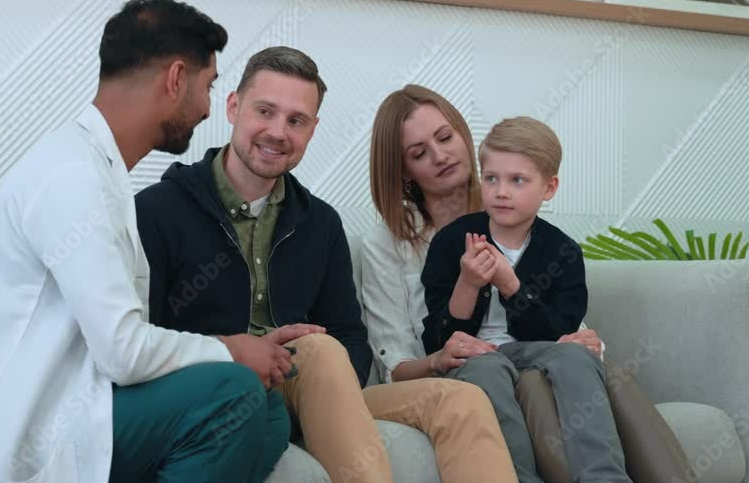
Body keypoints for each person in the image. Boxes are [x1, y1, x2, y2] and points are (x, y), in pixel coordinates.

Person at [0, 0, 290, 483]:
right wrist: (232, 349)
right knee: (234, 393)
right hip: (16, 422)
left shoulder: (97, 167)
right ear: (176, 78)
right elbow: (122, 352)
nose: (207, 109)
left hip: (77, 394)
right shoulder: (75, 178)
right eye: (208, 87)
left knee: (270, 412)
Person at [135, 47, 517, 483]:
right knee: (318, 348)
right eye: (265, 111)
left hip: (311, 386)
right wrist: (237, 351)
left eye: (296, 120)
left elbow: (351, 337)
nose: (278, 132)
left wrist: (318, 379)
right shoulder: (158, 210)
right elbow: (137, 339)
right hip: (214, 386)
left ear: (313, 130)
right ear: (234, 107)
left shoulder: (319, 222)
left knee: (460, 400)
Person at [364, 84, 694, 483]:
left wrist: (586, 343)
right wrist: (443, 349)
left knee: (591, 371)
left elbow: (562, 325)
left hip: (539, 358)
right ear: (403, 171)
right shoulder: (406, 242)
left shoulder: (524, 221)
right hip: (464, 368)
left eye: (445, 138)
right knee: (513, 377)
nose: (440, 156)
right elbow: (401, 358)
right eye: (419, 153)